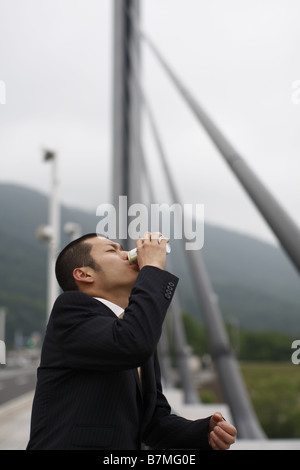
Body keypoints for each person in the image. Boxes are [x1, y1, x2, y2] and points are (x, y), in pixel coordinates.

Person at [27, 232, 237, 450]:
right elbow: (131, 343)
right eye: (112, 250)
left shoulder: (133, 326)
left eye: (123, 249)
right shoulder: (70, 310)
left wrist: (204, 432)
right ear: (84, 274)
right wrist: (153, 269)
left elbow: (154, 422)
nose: (128, 255)